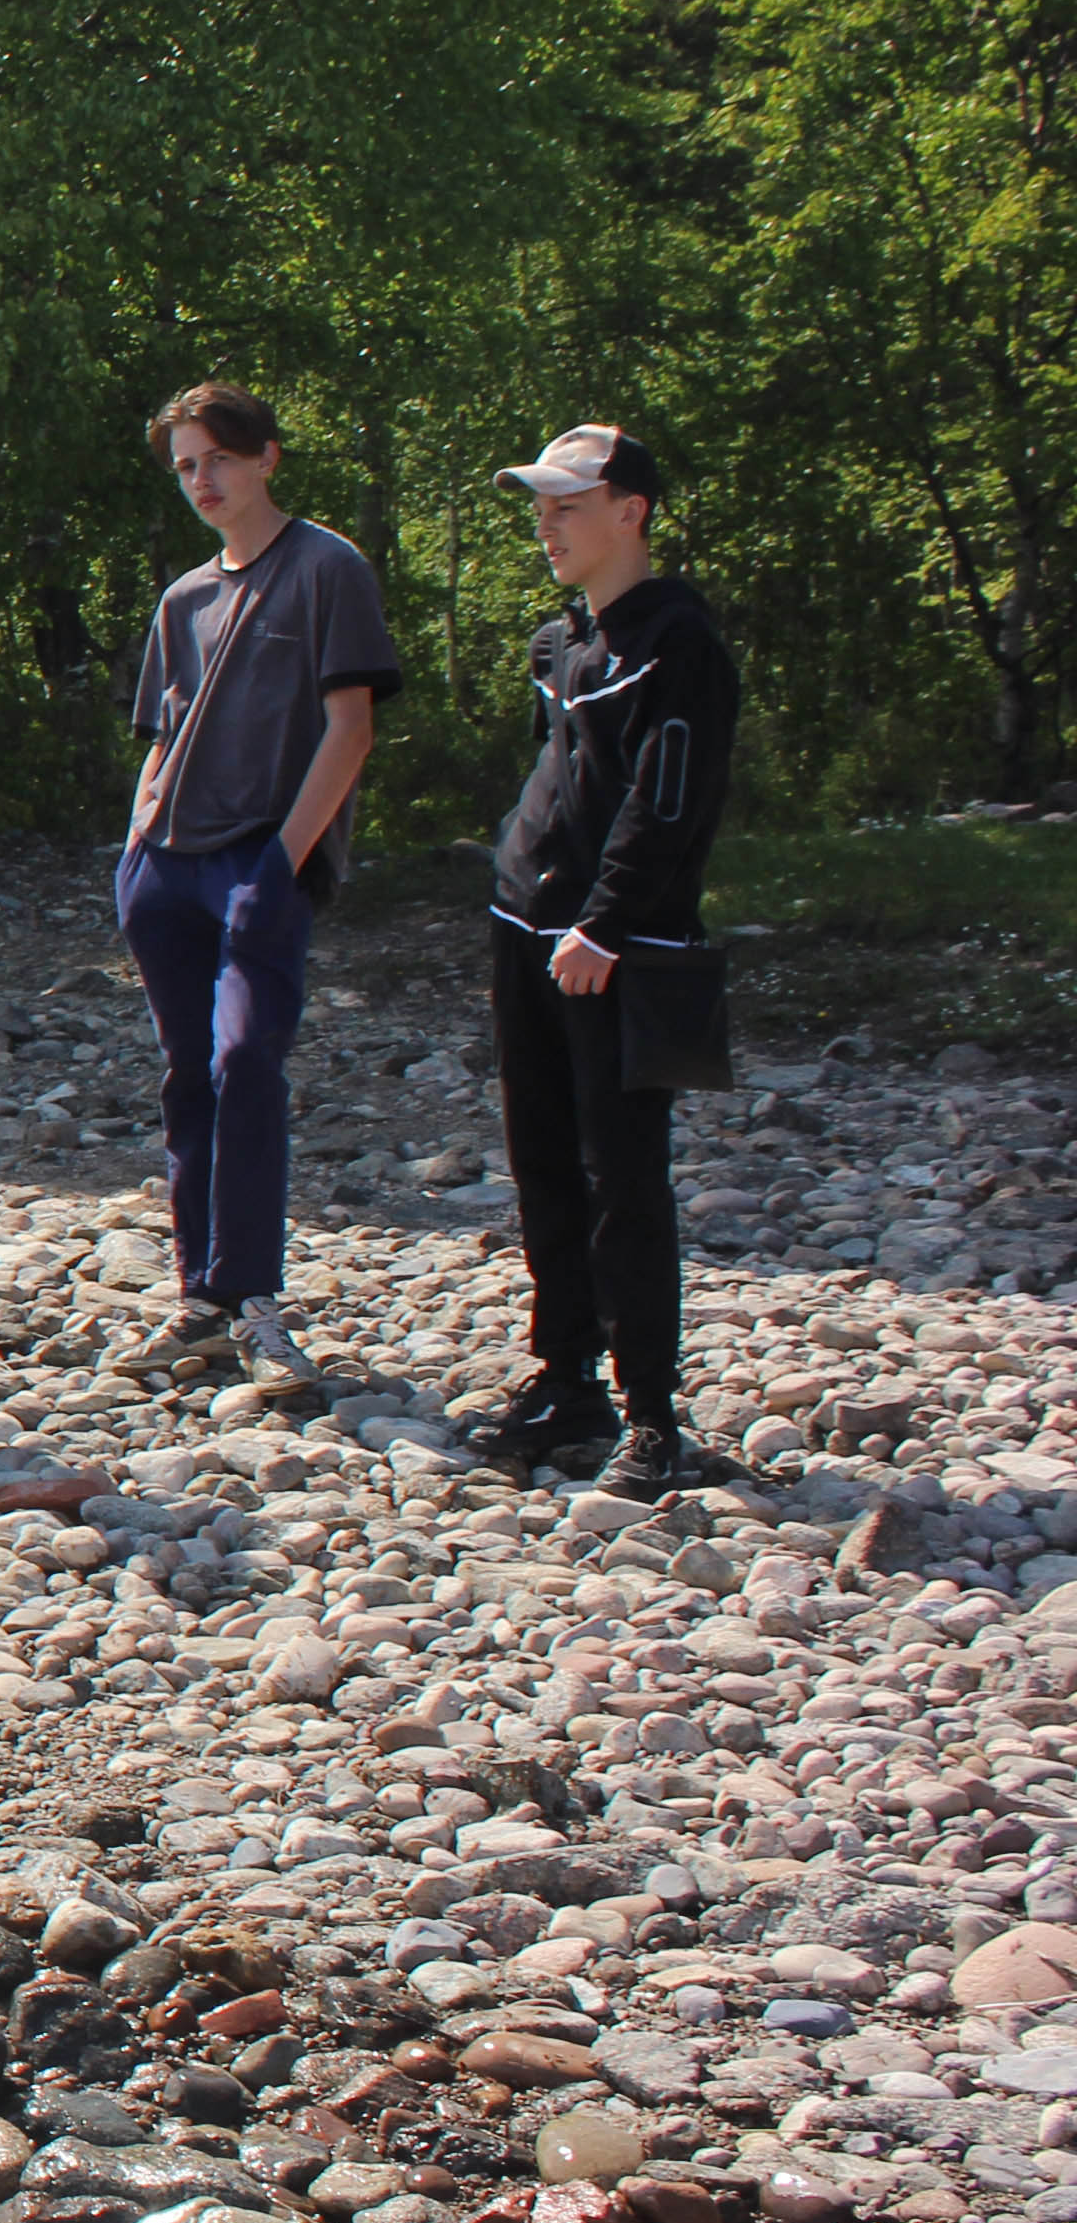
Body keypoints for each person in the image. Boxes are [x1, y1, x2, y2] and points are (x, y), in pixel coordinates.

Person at [112, 381, 405, 1390]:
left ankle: (255, 1302)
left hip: (260, 862)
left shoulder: (327, 568)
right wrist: (137, 845)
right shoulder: (183, 597)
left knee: (247, 1062)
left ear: (267, 456)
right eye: (186, 466)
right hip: (167, 868)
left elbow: (351, 728)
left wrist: (284, 860)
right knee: (187, 1075)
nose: (203, 481)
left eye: (219, 459)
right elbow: (161, 734)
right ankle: (199, 1301)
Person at [472, 424, 739, 1497]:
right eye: (540, 509)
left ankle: (653, 1417)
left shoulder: (680, 644)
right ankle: (566, 1379)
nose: (547, 527)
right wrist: (517, 888)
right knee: (542, 1161)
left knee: (623, 1179)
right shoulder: (565, 641)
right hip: (528, 929)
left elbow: (669, 804)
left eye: (568, 507)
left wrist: (609, 923)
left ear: (631, 511)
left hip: (616, 948)